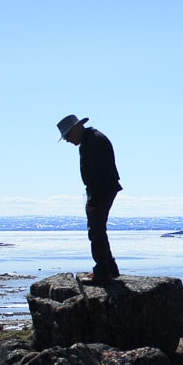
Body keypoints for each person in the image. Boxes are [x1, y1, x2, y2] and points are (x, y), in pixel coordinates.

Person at [57, 114, 123, 284]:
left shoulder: (93, 141)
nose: (67, 140)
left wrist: (93, 201)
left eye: (67, 135)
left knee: (96, 230)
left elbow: (100, 175)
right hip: (102, 190)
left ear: (77, 127)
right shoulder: (90, 140)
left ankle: (102, 272)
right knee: (98, 229)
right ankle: (109, 268)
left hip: (101, 191)